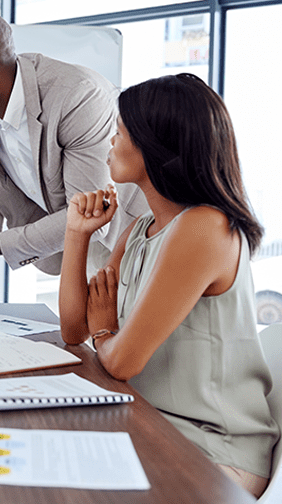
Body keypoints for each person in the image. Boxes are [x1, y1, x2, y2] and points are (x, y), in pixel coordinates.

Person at [59, 73, 279, 498]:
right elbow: (73, 331)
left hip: (210, 451)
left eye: (119, 132)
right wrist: (76, 234)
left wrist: (105, 330)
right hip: (149, 425)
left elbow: (121, 362)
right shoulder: (141, 229)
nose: (109, 141)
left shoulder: (204, 227)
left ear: (156, 145)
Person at [0, 8, 148, 317]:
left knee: (129, 354)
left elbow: (89, 212)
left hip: (135, 242)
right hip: (81, 256)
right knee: (93, 344)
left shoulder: (76, 96)